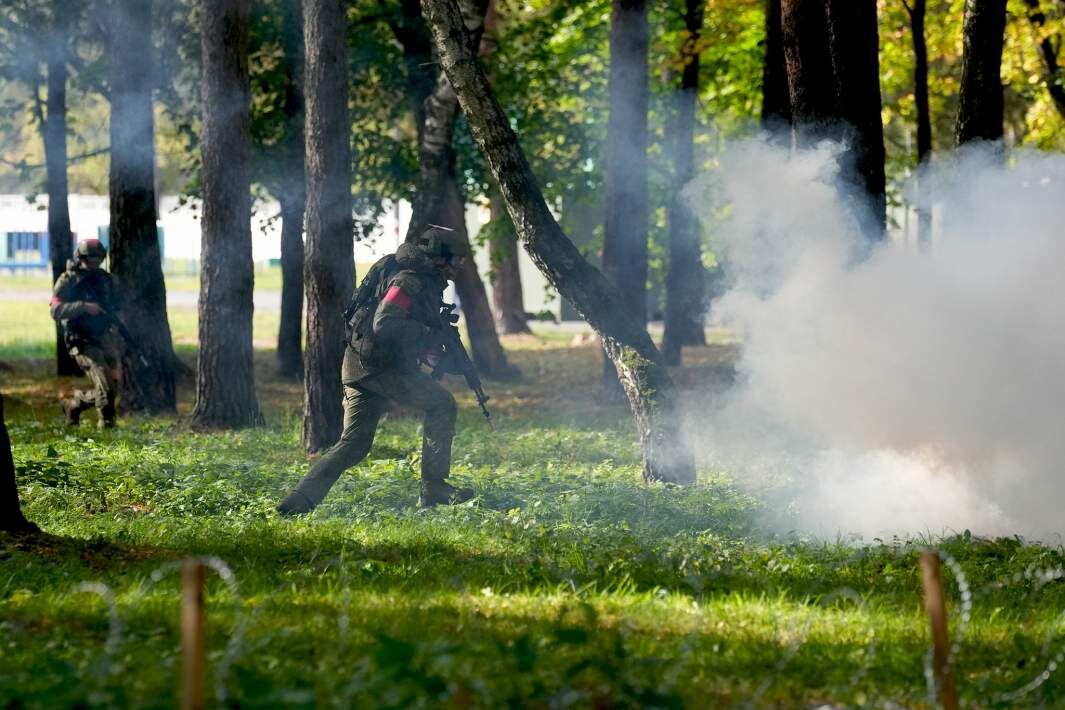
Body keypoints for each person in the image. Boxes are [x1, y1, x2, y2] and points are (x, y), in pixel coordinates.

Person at [277, 227, 476, 514]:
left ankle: (298, 501)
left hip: (359, 366)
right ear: (438, 257)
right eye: (455, 261)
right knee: (441, 404)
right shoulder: (410, 281)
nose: (457, 268)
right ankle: (434, 487)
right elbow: (384, 324)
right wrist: (426, 332)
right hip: (380, 367)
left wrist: (431, 348)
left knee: (354, 444)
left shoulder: (415, 276)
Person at [50, 239, 124, 429]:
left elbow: (115, 307)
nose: (95, 262)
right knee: (106, 385)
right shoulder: (68, 280)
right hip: (81, 341)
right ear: (81, 258)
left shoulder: (106, 280)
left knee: (112, 386)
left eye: (99, 258)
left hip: (104, 337)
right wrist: (83, 307)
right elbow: (56, 310)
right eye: (91, 258)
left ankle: (75, 404)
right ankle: (107, 424)